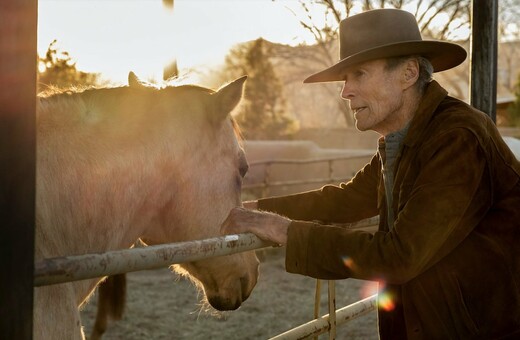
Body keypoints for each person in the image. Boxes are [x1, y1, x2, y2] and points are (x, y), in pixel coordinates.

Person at [220, 8, 520, 339]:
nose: (345, 91)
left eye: (359, 74)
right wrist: (253, 210)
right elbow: (348, 199)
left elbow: (400, 255)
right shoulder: (405, 139)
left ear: (408, 74)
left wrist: (286, 231)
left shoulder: (458, 138)